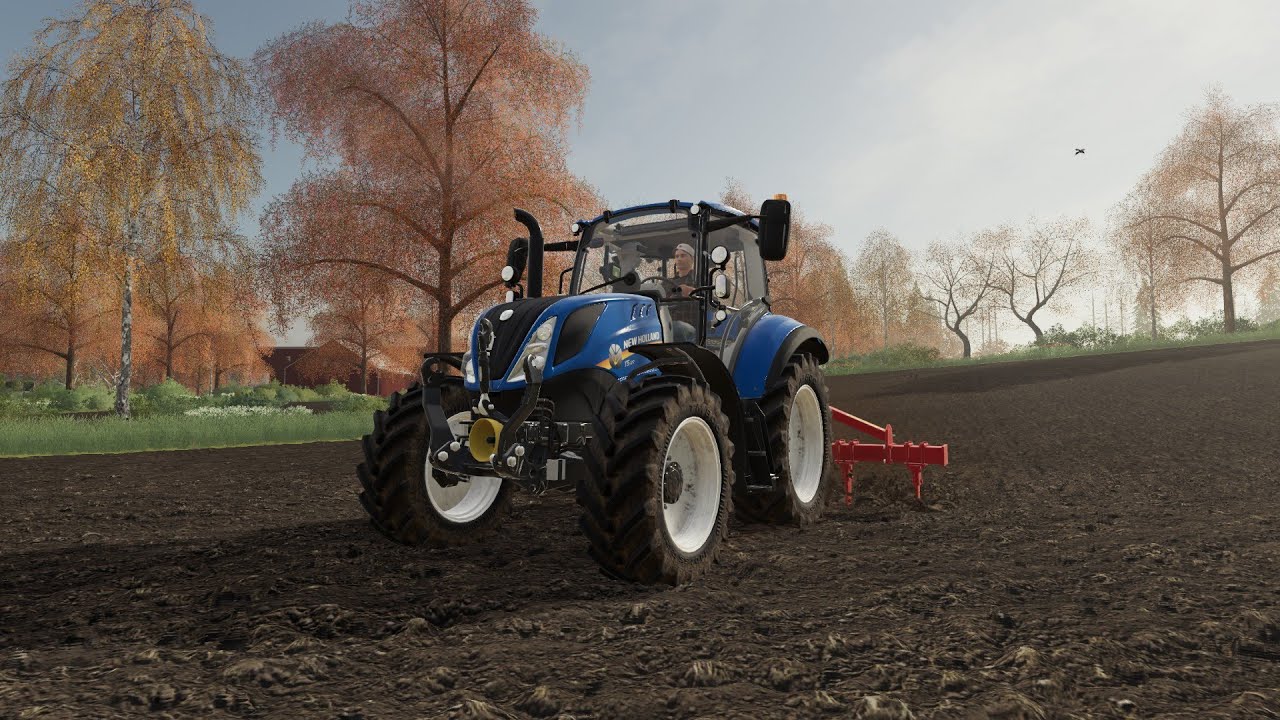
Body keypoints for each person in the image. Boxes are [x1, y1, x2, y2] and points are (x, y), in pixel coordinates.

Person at [665, 242, 698, 342]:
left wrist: (693, 292)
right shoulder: (667, 282)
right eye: (676, 256)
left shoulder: (699, 279)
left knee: (676, 327)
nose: (679, 259)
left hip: (691, 326)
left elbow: (711, 301)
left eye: (683, 256)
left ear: (692, 259)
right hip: (668, 322)